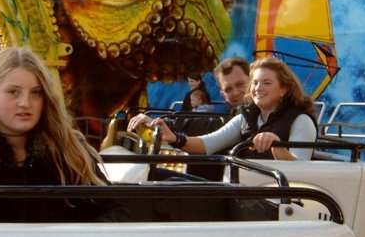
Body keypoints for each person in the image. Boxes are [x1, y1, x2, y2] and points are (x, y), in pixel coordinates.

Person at [0, 46, 121, 222]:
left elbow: (113, 211)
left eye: (36, 93)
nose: (25, 103)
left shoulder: (69, 152)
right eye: (13, 92)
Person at [130, 57, 317, 162]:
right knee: (165, 180)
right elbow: (208, 143)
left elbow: (302, 171)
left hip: (275, 199)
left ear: (284, 88)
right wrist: (174, 138)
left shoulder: (300, 121)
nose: (258, 88)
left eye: (266, 83)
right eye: (255, 83)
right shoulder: (247, 117)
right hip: (242, 189)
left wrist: (277, 147)